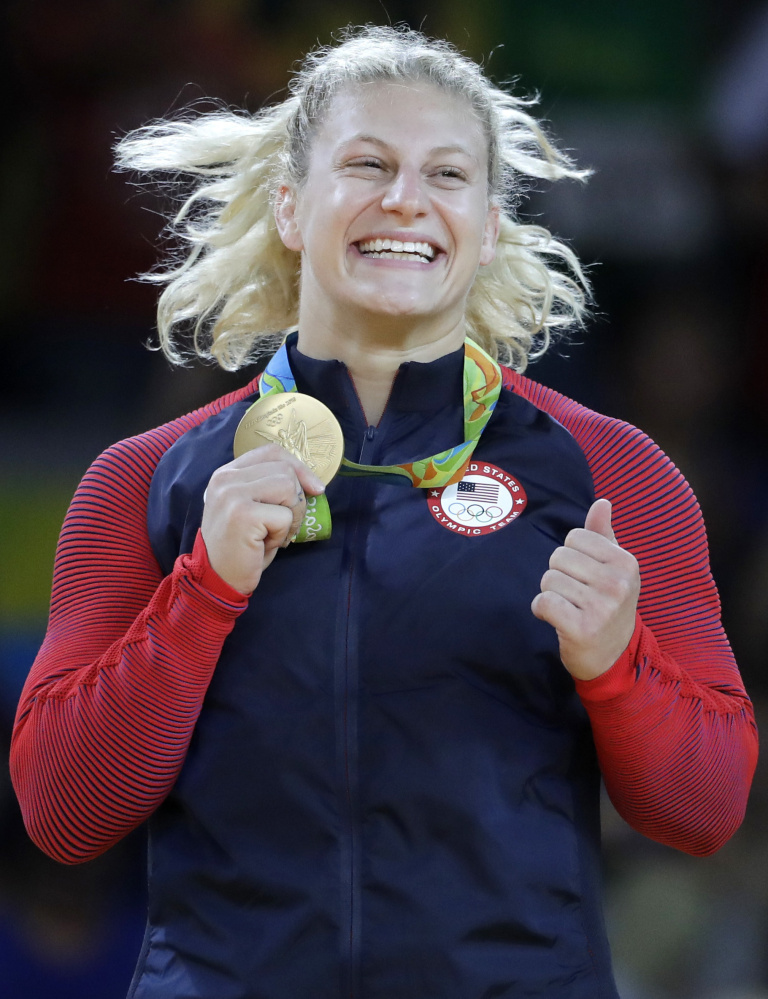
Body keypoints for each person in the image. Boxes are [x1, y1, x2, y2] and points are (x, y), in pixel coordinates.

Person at [10, 24, 758, 999]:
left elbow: (704, 811)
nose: (405, 198)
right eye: (367, 164)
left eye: (446, 175)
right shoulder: (151, 480)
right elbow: (64, 814)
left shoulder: (610, 473)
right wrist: (203, 593)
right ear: (290, 205)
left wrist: (616, 667)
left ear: (487, 224)